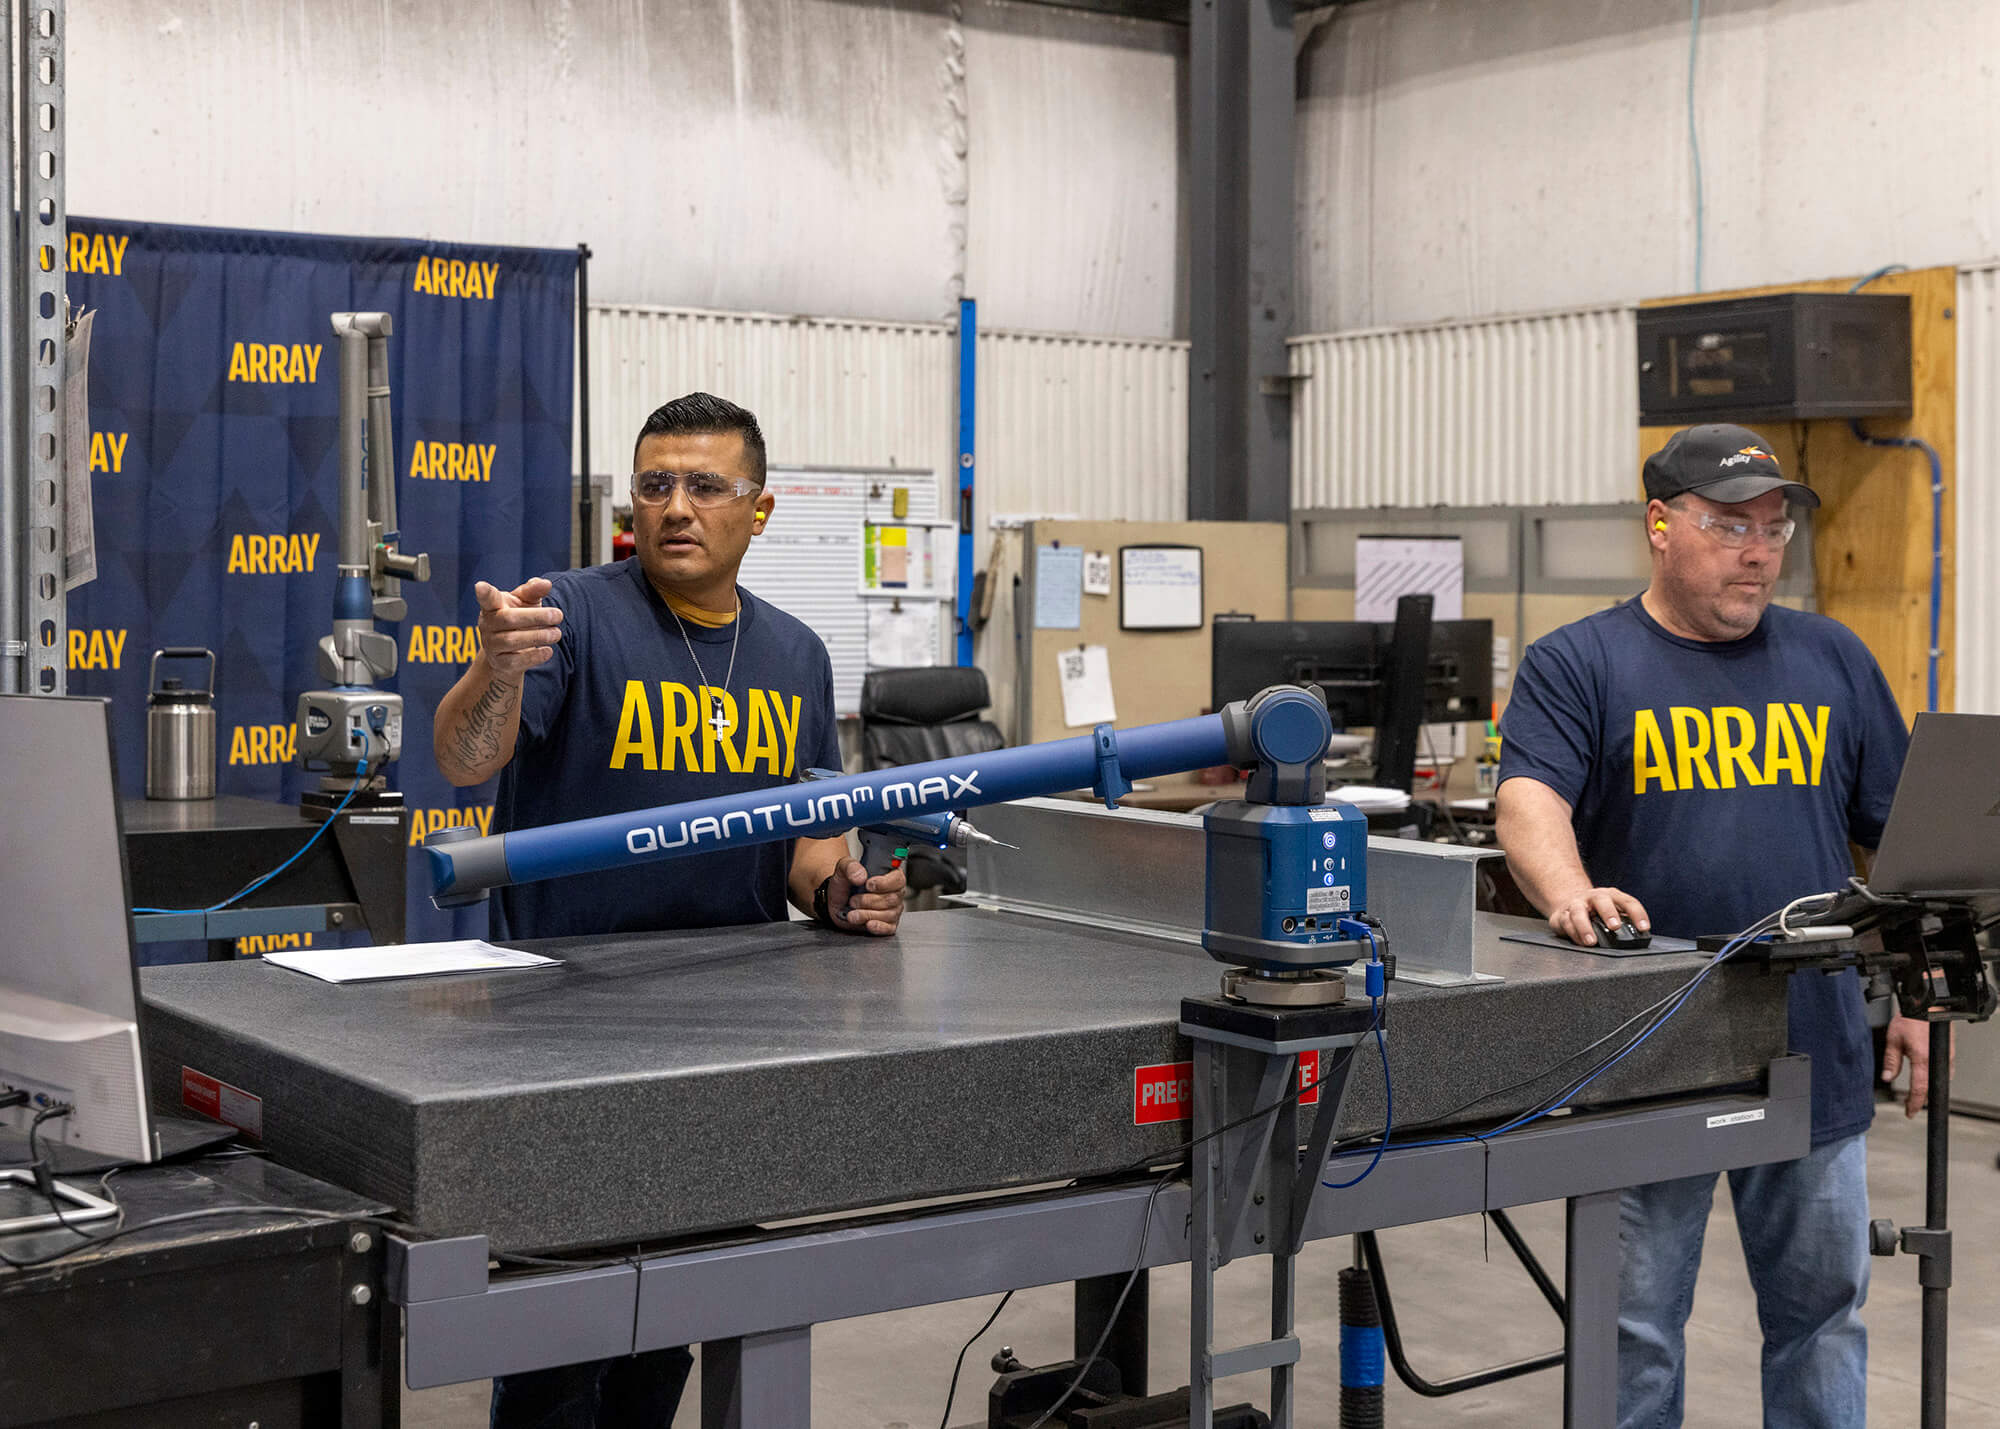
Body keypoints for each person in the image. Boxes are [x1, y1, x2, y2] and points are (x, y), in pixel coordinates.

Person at [433, 390, 906, 1427]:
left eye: (703, 485)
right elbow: (468, 759)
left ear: (759, 508)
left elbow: (808, 839)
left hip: (724, 1035)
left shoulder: (793, 654)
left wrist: (844, 890)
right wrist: (494, 667)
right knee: (560, 1343)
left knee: (673, 1326)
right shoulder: (567, 614)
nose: (675, 506)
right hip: (566, 1038)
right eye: (654, 485)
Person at [1494, 423, 1931, 1429]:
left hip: (1810, 1046)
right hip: (1648, 1053)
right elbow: (1527, 797)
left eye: (1772, 528)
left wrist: (1912, 992)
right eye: (1729, 524)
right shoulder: (1581, 664)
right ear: (1657, 525)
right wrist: (1566, 889)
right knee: (1632, 1328)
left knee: (1822, 1315)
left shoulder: (1831, 658)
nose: (1756, 549)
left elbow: (1902, 840)